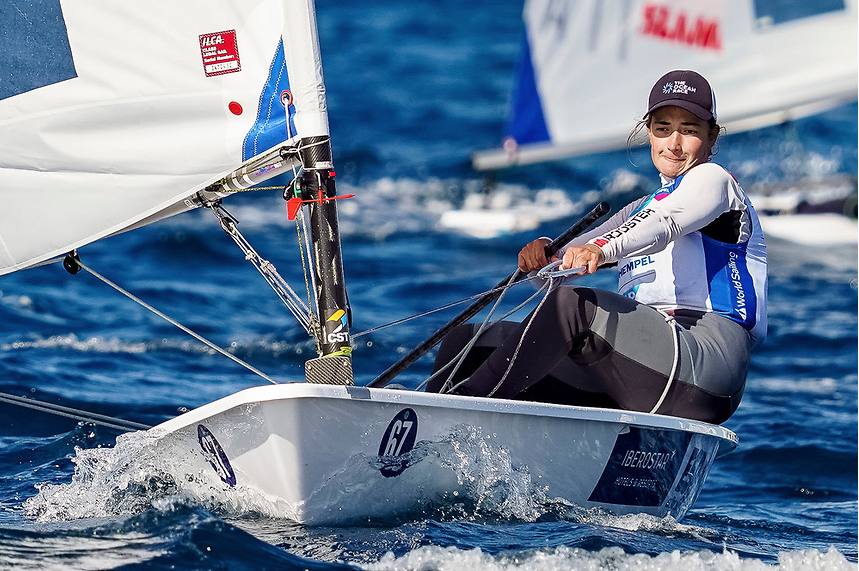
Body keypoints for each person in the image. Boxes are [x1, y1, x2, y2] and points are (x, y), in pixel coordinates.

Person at [428, 70, 767, 425]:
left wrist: (600, 249)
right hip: (643, 364)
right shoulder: (639, 209)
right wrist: (546, 257)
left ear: (712, 137)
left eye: (690, 130)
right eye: (663, 128)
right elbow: (556, 272)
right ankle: (425, 433)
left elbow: (665, 222)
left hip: (707, 366)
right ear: (648, 133)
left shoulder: (716, 182)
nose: (674, 143)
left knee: (572, 306)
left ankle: (453, 416)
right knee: (468, 343)